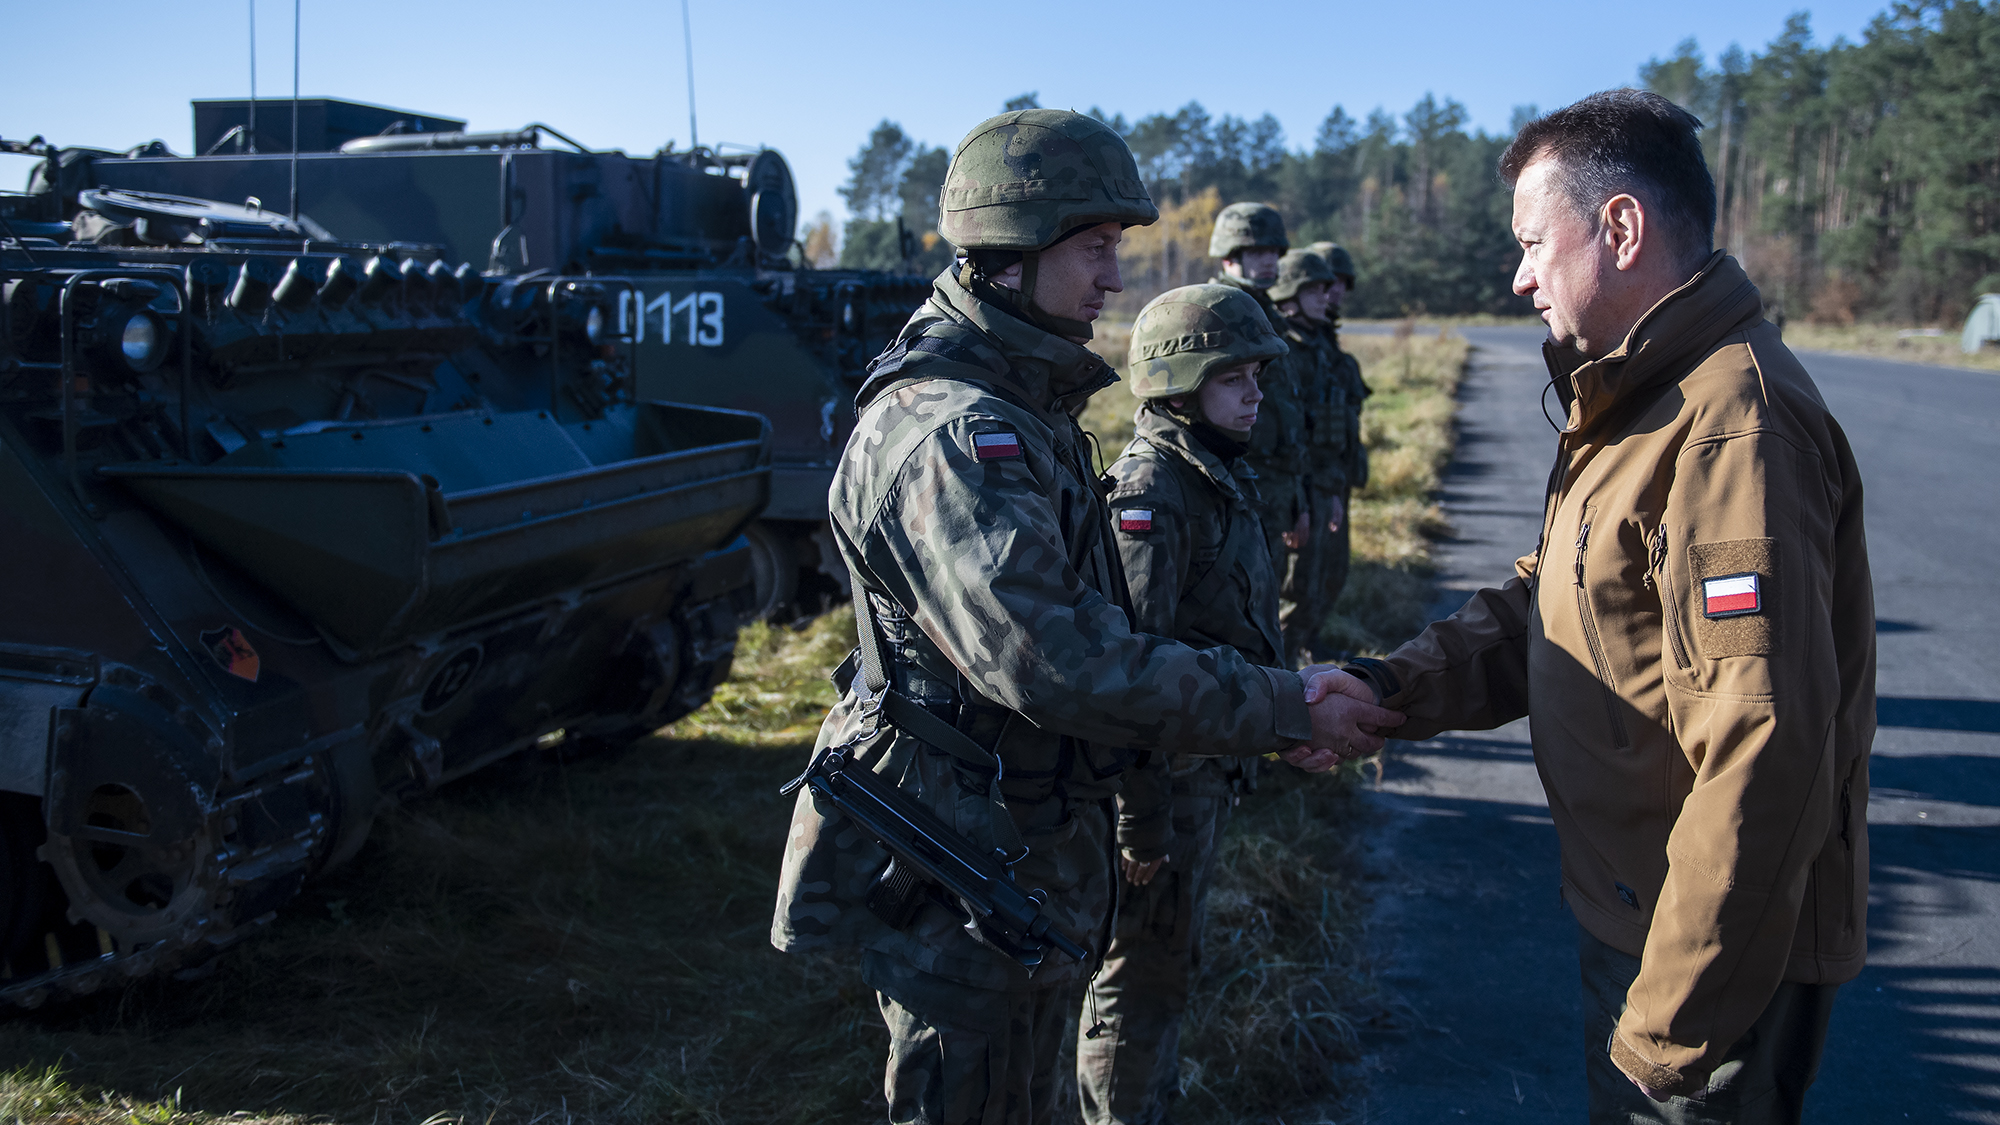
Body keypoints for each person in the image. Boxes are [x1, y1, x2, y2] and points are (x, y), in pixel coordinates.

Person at [769, 109, 1403, 1125]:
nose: (1114, 278)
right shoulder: (953, 432)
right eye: (1095, 250)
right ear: (1013, 253)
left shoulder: (1022, 410)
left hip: (1018, 854)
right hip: (961, 868)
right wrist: (1283, 705)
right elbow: (1060, 661)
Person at [1314, 89, 1875, 1123]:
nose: (1517, 274)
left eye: (1532, 241)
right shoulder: (1640, 398)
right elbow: (1561, 599)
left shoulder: (1724, 428)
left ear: (1617, 228)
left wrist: (1667, 1027)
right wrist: (1387, 687)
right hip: (1647, 919)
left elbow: (1762, 743)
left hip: (1702, 967)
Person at [1076, 283, 1291, 1124]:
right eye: (1234, 377)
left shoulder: (1211, 474)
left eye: (1257, 377)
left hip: (1201, 775)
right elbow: (1131, 677)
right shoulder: (1153, 493)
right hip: (1162, 789)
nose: (1255, 394)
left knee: (1167, 969)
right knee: (1137, 980)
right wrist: (1142, 820)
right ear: (1178, 382)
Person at [1208, 203, 1313, 663]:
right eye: (1256, 251)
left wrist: (1298, 497)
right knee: (1238, 614)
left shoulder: (1265, 312)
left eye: (1274, 250)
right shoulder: (1213, 312)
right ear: (1229, 255)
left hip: (1275, 484)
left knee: (1268, 606)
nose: (1270, 261)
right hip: (1237, 487)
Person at [1267, 249, 1348, 661]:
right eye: (1315, 290)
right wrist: (1297, 498)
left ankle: (1300, 652)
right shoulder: (1280, 352)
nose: (1328, 296)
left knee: (1316, 577)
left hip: (1319, 481)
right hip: (1296, 484)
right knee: (1292, 586)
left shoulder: (1317, 347)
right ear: (1290, 296)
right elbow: (1289, 432)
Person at [1305, 241, 1371, 621]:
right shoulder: (1303, 342)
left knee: (1332, 570)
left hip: (1335, 475)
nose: (1337, 292)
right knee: (1309, 575)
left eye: (1343, 283)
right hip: (1316, 478)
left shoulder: (1326, 343)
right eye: (1328, 283)